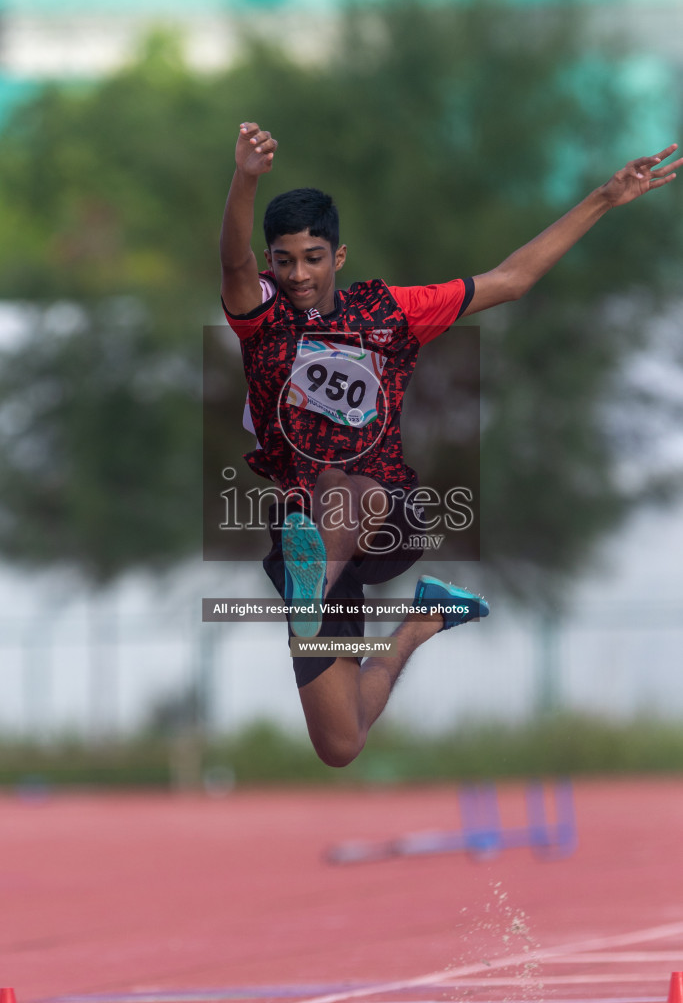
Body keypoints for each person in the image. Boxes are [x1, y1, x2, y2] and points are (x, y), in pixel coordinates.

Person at [220, 121, 681, 767]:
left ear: (338, 257)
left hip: (385, 515)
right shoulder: (260, 319)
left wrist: (603, 197)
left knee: (337, 482)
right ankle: (422, 620)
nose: (299, 274)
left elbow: (510, 280)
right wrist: (245, 176)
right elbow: (232, 260)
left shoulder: (387, 314)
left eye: (313, 257)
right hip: (307, 538)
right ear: (271, 263)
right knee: (340, 742)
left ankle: (311, 586)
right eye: (285, 260)